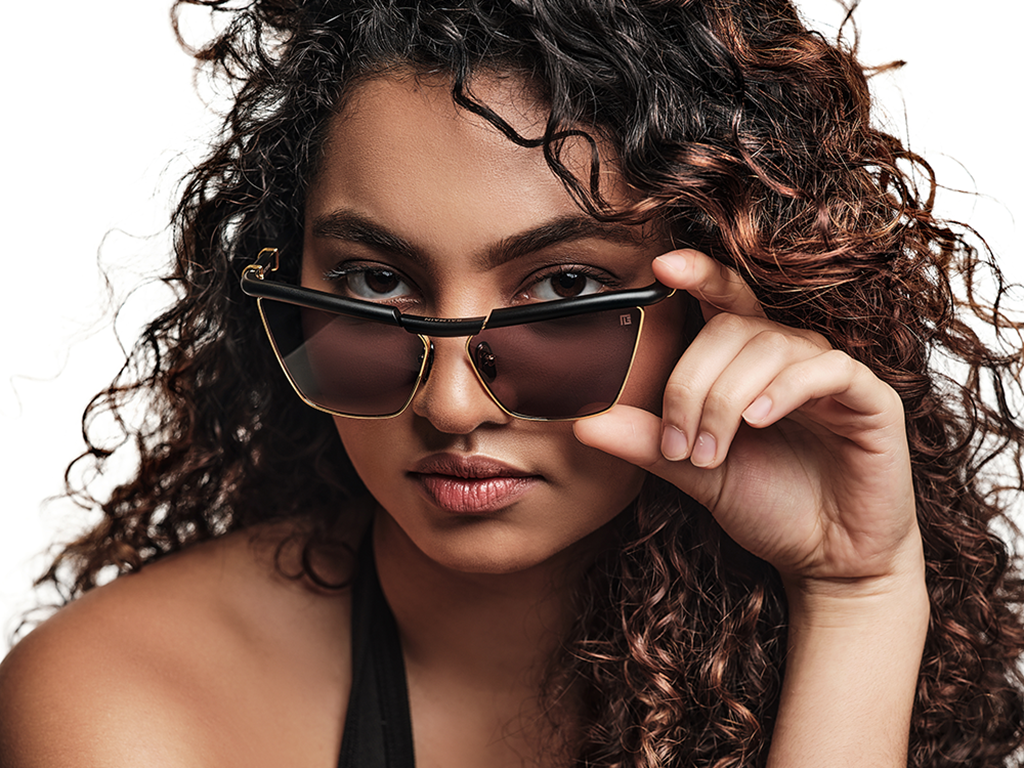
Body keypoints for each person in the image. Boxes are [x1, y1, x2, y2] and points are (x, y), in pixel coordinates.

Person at [1, 0, 1022, 765]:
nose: (450, 405)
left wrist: (855, 597)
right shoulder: (128, 707)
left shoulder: (839, 637)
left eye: (565, 287)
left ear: (727, 295)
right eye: (376, 281)